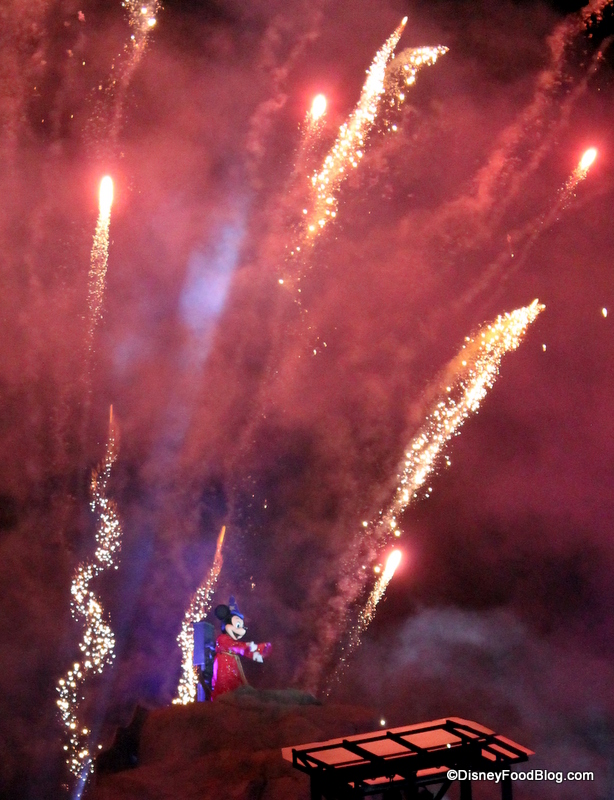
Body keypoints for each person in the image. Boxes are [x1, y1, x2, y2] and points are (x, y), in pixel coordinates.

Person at [211, 596, 272, 700]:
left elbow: (241, 649)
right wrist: (256, 648)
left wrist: (257, 654)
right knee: (227, 690)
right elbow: (238, 647)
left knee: (236, 690)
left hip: (231, 668)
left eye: (242, 627)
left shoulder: (231, 645)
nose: (242, 630)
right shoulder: (223, 639)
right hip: (224, 670)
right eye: (238, 625)